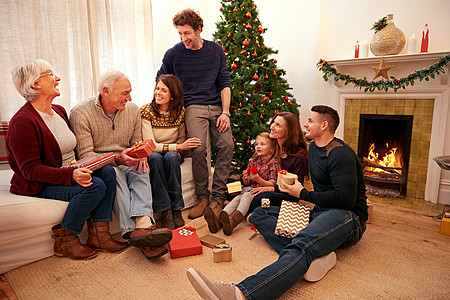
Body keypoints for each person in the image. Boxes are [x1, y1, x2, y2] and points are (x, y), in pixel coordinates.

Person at [186, 105, 368, 299]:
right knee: (258, 214)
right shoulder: (314, 148)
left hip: (348, 217)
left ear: (324, 125)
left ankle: (242, 293)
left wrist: (303, 193)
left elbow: (345, 200)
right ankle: (315, 257)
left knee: (302, 244)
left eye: (310, 121)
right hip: (319, 213)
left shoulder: (340, 154)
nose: (305, 124)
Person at [7, 59, 128, 260]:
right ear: (36, 84)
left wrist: (91, 163)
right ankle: (66, 239)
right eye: (50, 74)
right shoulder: (22, 122)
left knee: (107, 171)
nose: (58, 78)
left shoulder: (59, 111)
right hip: (39, 182)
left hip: (69, 171)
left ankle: (99, 234)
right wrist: (71, 175)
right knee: (94, 186)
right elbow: (30, 170)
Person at [70, 70, 172, 260]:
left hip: (126, 159)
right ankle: (133, 232)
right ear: (106, 91)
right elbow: (85, 155)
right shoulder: (80, 113)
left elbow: (135, 143)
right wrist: (117, 158)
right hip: (101, 164)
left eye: (130, 92)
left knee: (141, 168)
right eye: (124, 93)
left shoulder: (132, 110)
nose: (130, 98)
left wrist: (139, 155)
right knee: (114, 173)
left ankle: (143, 226)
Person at [156, 9, 234, 230]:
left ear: (199, 29)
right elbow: (161, 80)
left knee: (227, 145)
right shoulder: (173, 54)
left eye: (187, 33)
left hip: (218, 106)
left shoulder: (216, 51)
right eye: (180, 34)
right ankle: (202, 197)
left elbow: (224, 83)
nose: (183, 38)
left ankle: (217, 196)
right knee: (199, 149)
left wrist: (225, 113)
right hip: (193, 106)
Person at [140, 74, 201, 229]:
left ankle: (176, 208)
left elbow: (181, 139)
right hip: (154, 152)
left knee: (171, 158)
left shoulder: (180, 112)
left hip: (172, 153)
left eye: (164, 90)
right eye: (157, 89)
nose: (158, 93)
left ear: (173, 95)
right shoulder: (146, 111)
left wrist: (177, 147)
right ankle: (165, 210)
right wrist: (177, 147)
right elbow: (150, 145)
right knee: (154, 158)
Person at [217, 132, 281, 235]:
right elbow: (248, 183)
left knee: (246, 195)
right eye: (256, 144)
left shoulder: (273, 163)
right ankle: (220, 218)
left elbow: (272, 184)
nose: (258, 146)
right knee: (237, 198)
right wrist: (246, 178)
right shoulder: (253, 161)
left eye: (262, 144)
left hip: (261, 191)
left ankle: (234, 221)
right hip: (250, 189)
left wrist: (258, 179)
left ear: (271, 149)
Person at [247, 111, 309, 214]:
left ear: (288, 131)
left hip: (286, 195)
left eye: (278, 125)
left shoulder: (299, 157)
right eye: (273, 122)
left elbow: (296, 188)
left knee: (260, 197)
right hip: (263, 186)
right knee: (232, 187)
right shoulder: (270, 147)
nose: (272, 127)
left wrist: (270, 189)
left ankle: (246, 212)